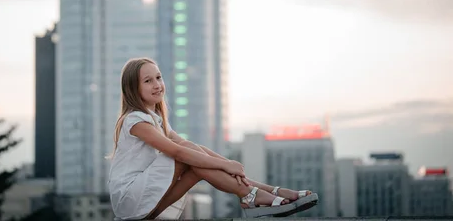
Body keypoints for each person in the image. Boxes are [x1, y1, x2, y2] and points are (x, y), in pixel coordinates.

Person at [108, 57, 318, 219]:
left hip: (145, 203)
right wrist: (226, 165)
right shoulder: (135, 121)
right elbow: (178, 152)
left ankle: (261, 192)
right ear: (133, 89)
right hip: (130, 198)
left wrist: (227, 164)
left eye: (158, 77)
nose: (157, 84)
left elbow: (187, 146)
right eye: (148, 81)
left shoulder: (157, 120)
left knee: (194, 158)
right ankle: (253, 195)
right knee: (186, 155)